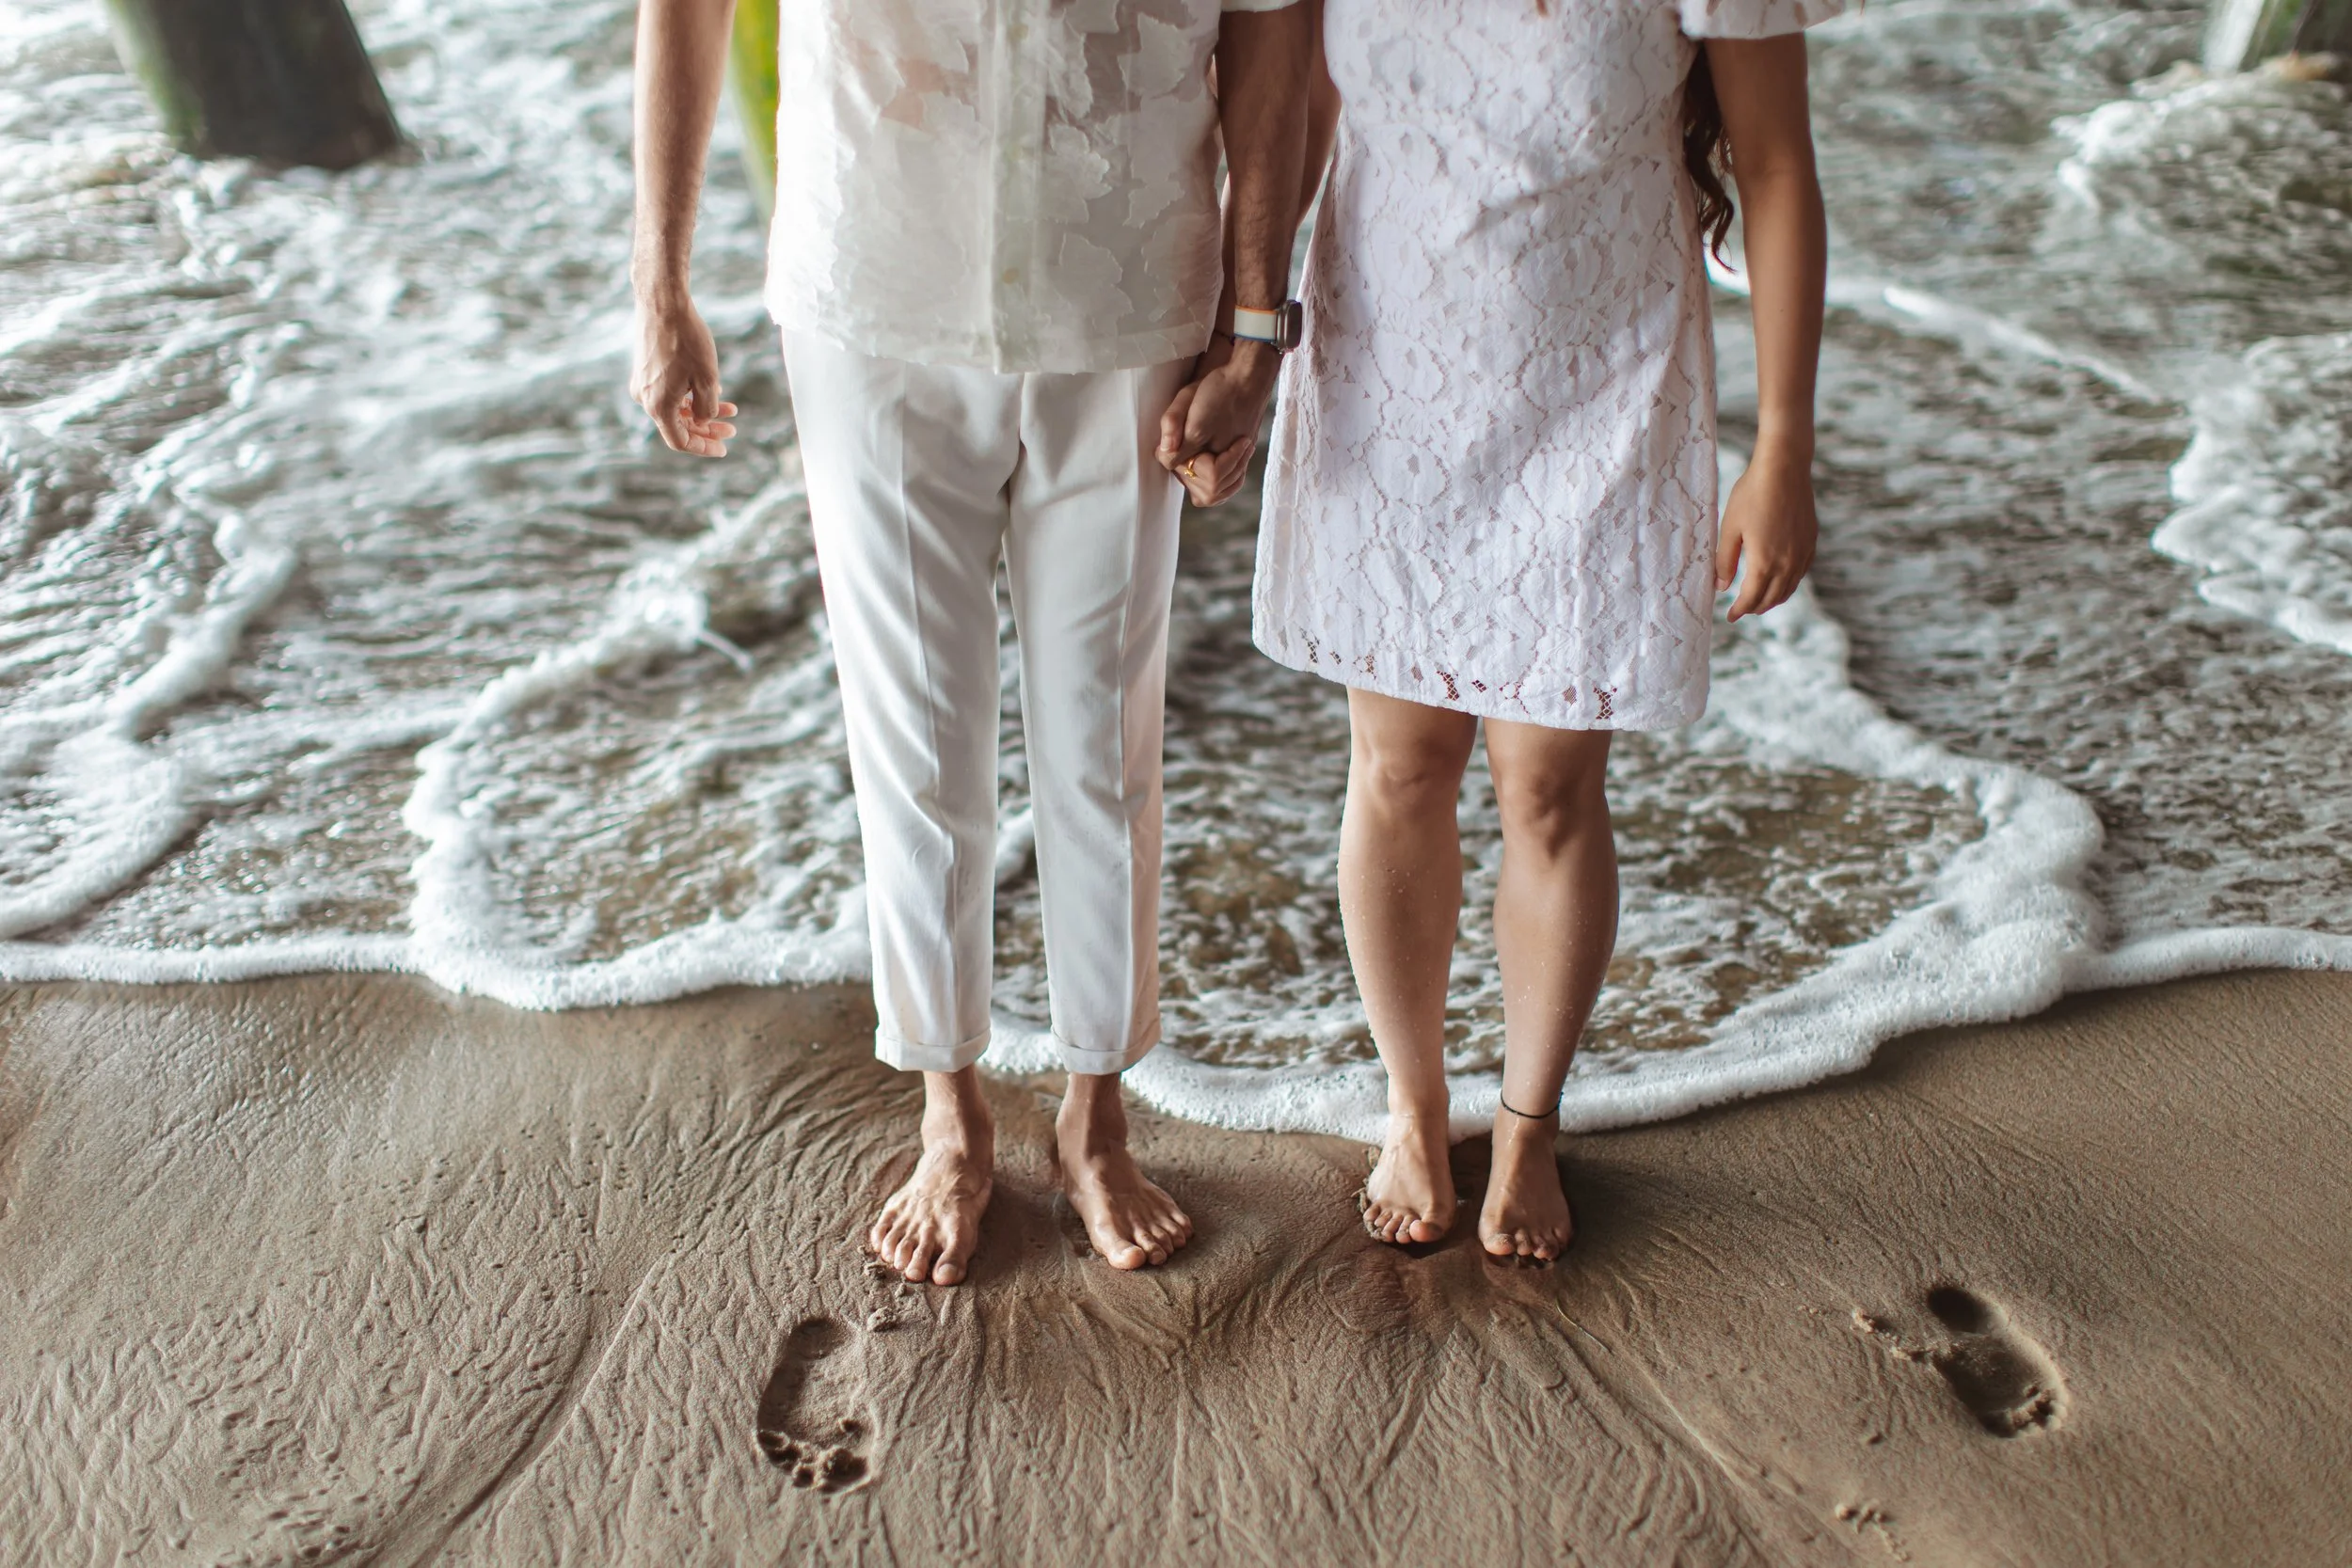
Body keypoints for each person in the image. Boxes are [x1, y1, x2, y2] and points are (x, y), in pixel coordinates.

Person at [630, 0, 1309, 1284]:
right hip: (869, 283)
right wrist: (660, 283)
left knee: (1104, 737)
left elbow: (1277, 29)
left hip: (1126, 287)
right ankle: (951, 1114)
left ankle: (1098, 1115)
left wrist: (1256, 321)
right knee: (912, 732)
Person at [1247, 0, 1838, 1262]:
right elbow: (1300, 117)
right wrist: (1236, 337)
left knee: (1550, 786)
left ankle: (1527, 1124)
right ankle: (1413, 1109)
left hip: (1603, 388)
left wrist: (1783, 446)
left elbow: (1778, 165)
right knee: (1400, 765)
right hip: (1388, 383)